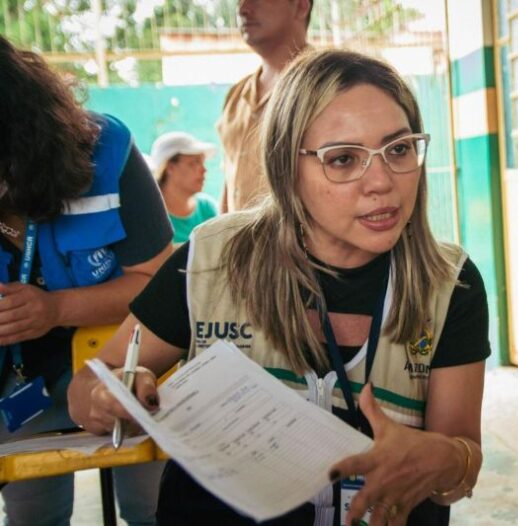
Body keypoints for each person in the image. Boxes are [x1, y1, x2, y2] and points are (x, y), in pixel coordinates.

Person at [68, 49, 489, 526]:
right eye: (344, 159)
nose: (382, 182)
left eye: (399, 149)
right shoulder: (210, 263)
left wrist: (446, 459)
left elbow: (461, 464)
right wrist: (109, 399)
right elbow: (87, 387)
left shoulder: (449, 284)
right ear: (287, 167)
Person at [0, 37, 173, 525]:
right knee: (32, 513)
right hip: (21, 392)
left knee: (153, 506)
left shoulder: (103, 150)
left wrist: (55, 310)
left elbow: (160, 289)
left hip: (127, 366)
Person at [217, 0, 312, 212]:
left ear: (301, 6)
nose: (243, 9)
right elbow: (231, 181)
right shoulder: (237, 95)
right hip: (242, 242)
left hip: (298, 244)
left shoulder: (325, 87)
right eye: (240, 1)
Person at [150, 131, 219, 244]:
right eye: (194, 163)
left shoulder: (207, 208)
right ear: (170, 167)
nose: (204, 170)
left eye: (203, 162)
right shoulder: (150, 215)